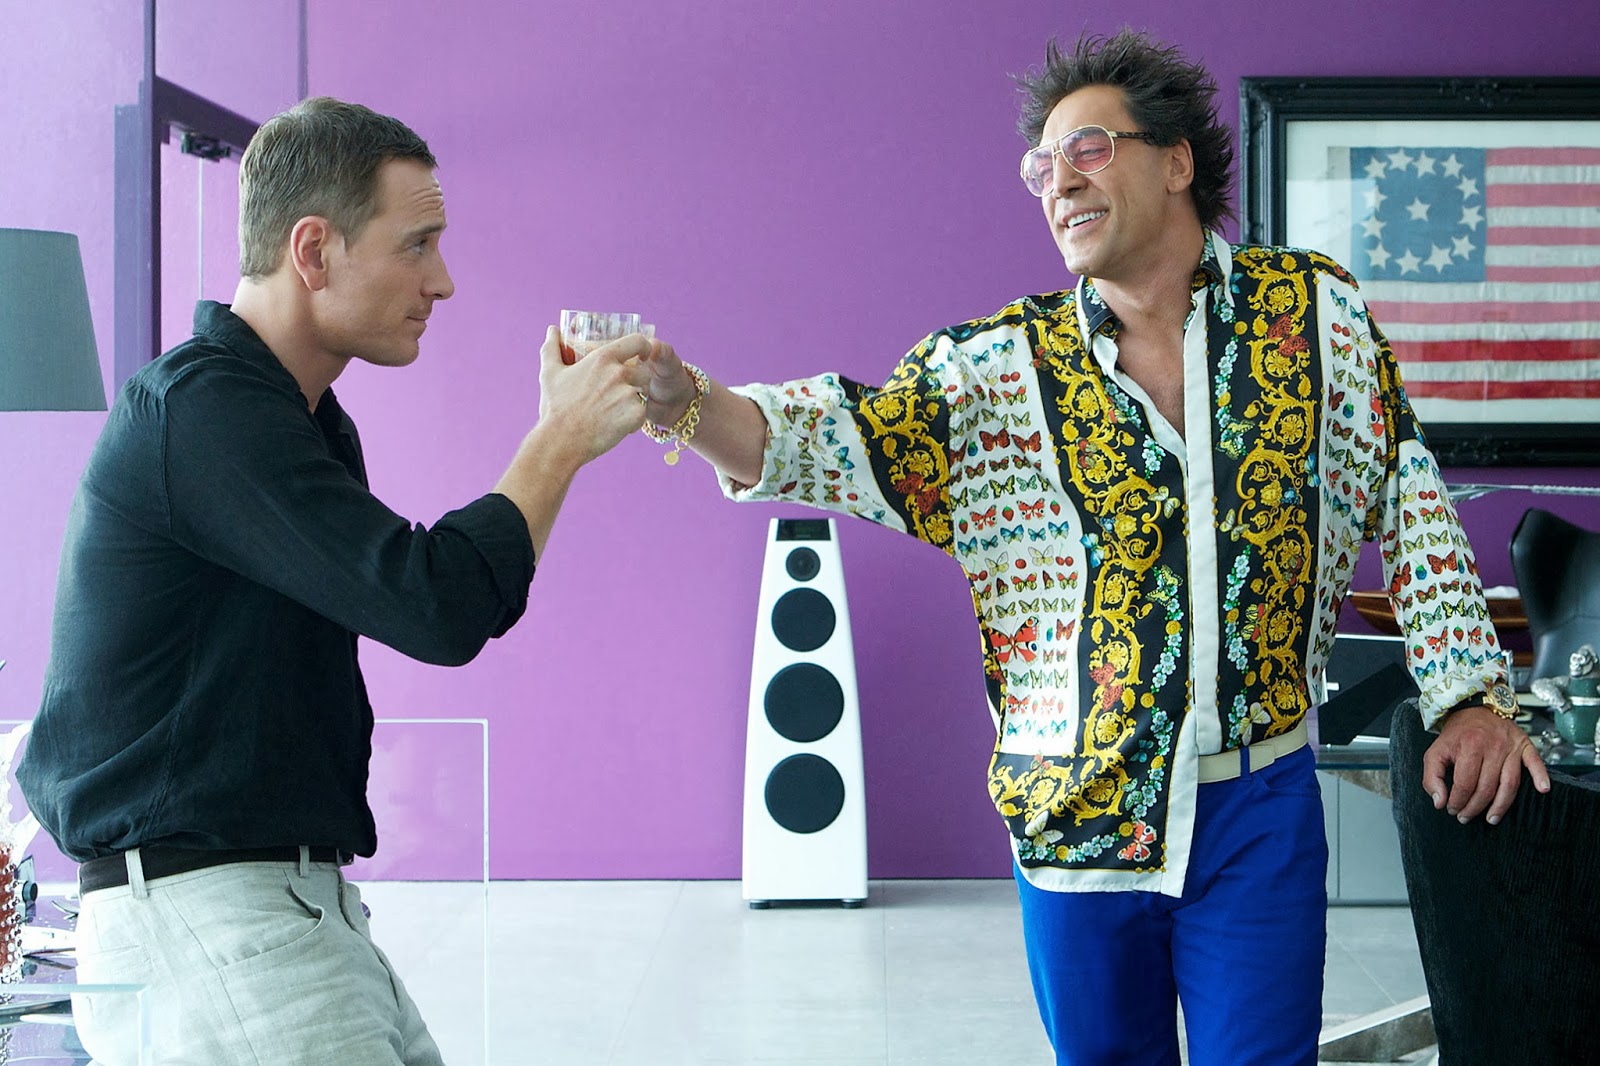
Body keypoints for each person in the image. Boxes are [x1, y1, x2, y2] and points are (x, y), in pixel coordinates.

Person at [620, 29, 1551, 1066]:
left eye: (1089, 150)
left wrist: (1468, 694)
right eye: (1041, 166)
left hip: (1259, 804)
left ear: (1176, 161)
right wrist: (680, 398)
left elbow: (1408, 495)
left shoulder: (1312, 315)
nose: (1058, 182)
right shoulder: (995, 369)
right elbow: (828, 437)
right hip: (1074, 814)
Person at [17, 97, 652, 1065]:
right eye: (417, 244)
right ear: (313, 250)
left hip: (280, 912)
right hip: (214, 925)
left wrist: (560, 443)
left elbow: (441, 600)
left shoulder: (300, 419)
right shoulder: (203, 411)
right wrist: (558, 438)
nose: (442, 281)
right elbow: (433, 605)